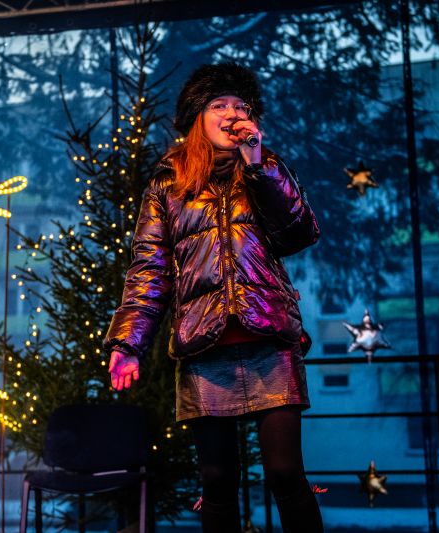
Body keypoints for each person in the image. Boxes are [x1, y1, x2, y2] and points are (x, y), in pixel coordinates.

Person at [103, 63, 323, 533]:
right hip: (204, 346)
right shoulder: (169, 182)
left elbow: (299, 232)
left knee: (286, 473)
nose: (230, 114)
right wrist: (128, 343)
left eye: (238, 106)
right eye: (218, 105)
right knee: (218, 480)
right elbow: (149, 268)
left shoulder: (264, 166)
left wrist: (257, 163)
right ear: (197, 117)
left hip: (269, 341)